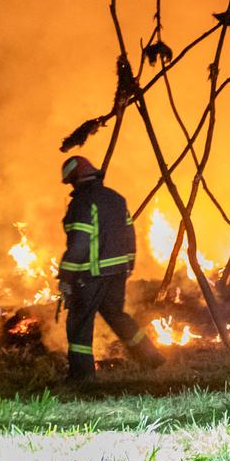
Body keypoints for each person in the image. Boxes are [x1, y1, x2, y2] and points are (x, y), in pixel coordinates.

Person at [56, 155, 163, 381]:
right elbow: (129, 233)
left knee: (79, 323)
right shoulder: (115, 198)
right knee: (117, 315)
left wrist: (66, 277)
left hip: (91, 275)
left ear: (75, 180)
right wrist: (129, 263)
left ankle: (82, 376)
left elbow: (79, 244)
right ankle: (150, 357)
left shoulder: (82, 203)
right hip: (117, 272)